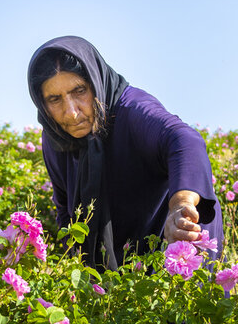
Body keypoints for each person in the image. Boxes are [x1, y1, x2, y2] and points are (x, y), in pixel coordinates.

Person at [27, 35, 222, 270]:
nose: (71, 113)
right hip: (122, 253)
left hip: (175, 236)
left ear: (95, 81)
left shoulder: (131, 109)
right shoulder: (56, 138)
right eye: (54, 99)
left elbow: (183, 140)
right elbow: (65, 209)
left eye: (79, 91)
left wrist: (180, 206)